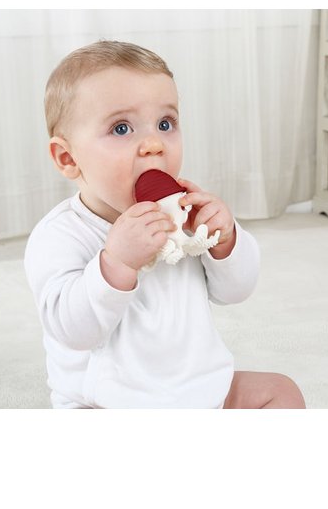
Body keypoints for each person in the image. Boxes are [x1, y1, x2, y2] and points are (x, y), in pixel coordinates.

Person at [24, 40, 305, 409]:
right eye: (121, 128)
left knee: (281, 392)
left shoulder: (185, 217)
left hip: (196, 389)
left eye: (165, 123)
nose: (154, 144)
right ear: (68, 158)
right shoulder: (59, 236)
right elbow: (72, 331)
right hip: (108, 403)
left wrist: (224, 241)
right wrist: (117, 263)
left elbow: (236, 291)